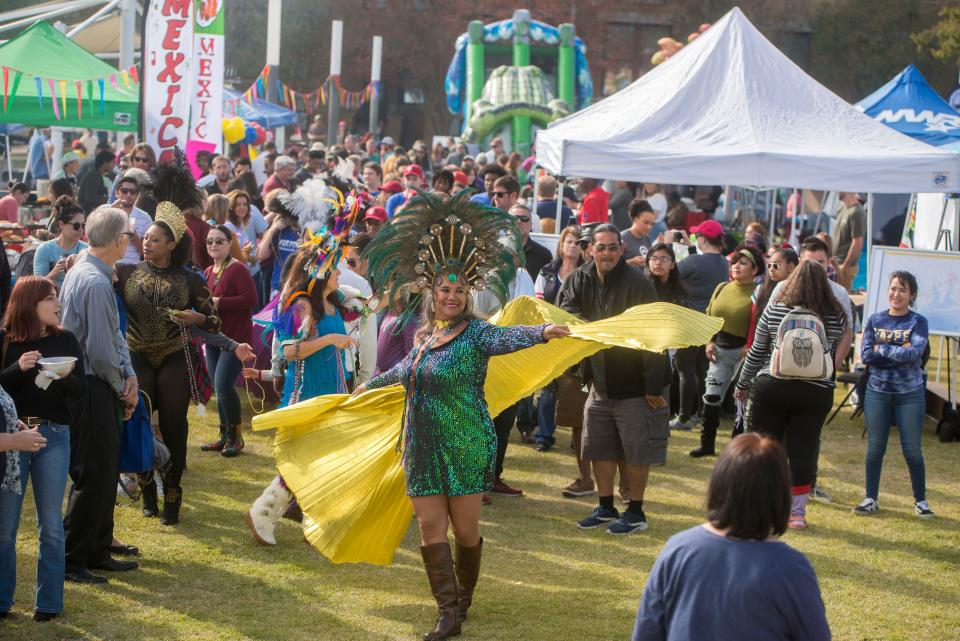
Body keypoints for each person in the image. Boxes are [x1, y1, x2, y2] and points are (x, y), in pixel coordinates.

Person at [355, 190, 570, 640]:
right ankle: (448, 614)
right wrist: (365, 387)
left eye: (458, 290)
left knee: (465, 531)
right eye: (444, 290)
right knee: (430, 527)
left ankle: (464, 596)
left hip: (467, 443)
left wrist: (544, 331)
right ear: (431, 293)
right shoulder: (423, 338)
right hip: (421, 445)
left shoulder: (476, 334)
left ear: (466, 294)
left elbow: (508, 339)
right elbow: (400, 372)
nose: (451, 296)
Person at [117, 161, 249, 526]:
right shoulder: (127, 273)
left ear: (172, 245)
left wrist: (195, 319)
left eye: (155, 240)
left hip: (175, 357)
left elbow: (216, 320)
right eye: (146, 239)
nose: (147, 243)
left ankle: (172, 495)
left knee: (174, 426)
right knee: (141, 423)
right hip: (138, 354)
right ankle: (147, 493)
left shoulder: (190, 279)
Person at [632, 434, 831, 641]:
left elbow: (646, 633)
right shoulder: (791, 568)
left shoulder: (678, 550)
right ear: (779, 495)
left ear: (719, 484)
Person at [559, 223, 668, 535]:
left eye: (612, 247)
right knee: (598, 446)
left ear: (622, 250)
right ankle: (606, 506)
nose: (606, 253)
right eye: (600, 247)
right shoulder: (580, 277)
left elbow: (653, 333)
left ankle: (636, 512)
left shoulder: (639, 283)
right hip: (599, 380)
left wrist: (653, 386)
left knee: (636, 449)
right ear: (590, 249)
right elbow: (567, 313)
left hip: (635, 382)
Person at [735, 261, 847, 529]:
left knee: (763, 450)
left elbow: (758, 350)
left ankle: (759, 507)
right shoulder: (835, 313)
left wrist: (742, 382)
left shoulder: (774, 308)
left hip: (772, 385)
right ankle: (796, 514)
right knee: (803, 452)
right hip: (816, 390)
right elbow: (832, 350)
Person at [59, 206, 139, 584]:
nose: (130, 241)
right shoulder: (92, 279)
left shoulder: (90, 273)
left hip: (95, 382)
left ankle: (97, 547)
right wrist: (121, 384)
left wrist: (129, 376)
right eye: (128, 235)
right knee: (94, 471)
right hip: (93, 385)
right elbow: (102, 350)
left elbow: (112, 340)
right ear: (119, 240)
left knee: (104, 469)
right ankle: (74, 555)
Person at [0, 277, 87, 621]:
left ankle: (48, 603)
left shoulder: (65, 339)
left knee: (50, 524)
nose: (57, 303)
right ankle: (3, 601)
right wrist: (16, 369)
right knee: (6, 526)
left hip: (54, 436)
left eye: (57, 298)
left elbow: (80, 392)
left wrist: (64, 375)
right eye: (50, 298)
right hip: (14, 435)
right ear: (29, 303)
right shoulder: (7, 340)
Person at [856, 271, 933, 518]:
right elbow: (867, 356)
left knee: (912, 450)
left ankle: (920, 501)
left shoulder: (918, 322)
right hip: (877, 392)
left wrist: (883, 349)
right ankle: (871, 498)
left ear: (911, 295)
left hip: (910, 393)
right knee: (875, 449)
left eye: (902, 290)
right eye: (893, 288)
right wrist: (899, 349)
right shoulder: (875, 319)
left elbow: (915, 354)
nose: (896, 294)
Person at [690, 244, 765, 458]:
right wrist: (709, 341)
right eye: (734, 262)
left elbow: (760, 322)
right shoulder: (722, 287)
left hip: (744, 353)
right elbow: (709, 315)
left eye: (743, 263)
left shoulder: (758, 293)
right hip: (719, 351)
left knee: (740, 400)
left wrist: (750, 348)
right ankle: (707, 444)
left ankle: (737, 447)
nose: (737, 267)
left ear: (755, 269)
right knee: (711, 397)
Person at [200, 226, 258, 457]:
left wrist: (220, 302)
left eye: (219, 241)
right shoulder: (207, 271)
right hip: (216, 338)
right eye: (210, 241)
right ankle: (224, 436)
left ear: (229, 243)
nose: (214, 245)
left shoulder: (238, 269)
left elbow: (251, 299)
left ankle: (236, 438)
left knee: (224, 385)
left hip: (236, 339)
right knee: (218, 386)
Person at [671, 220, 729, 431]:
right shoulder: (724, 262)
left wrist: (673, 245)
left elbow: (672, 271)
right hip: (710, 322)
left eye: (697, 237)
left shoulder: (695, 261)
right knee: (702, 369)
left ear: (703, 239)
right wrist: (690, 247)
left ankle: (684, 417)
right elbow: (702, 262)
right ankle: (702, 414)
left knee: (684, 368)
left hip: (690, 320)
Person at [533, 226, 583, 452]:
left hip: (577, 338)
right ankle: (544, 435)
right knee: (548, 389)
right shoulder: (547, 272)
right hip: (550, 336)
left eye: (577, 242)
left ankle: (579, 434)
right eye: (569, 241)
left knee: (576, 388)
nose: (572, 246)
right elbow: (538, 302)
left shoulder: (587, 273)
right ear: (561, 244)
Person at [748, 247, 798, 348]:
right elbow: (754, 321)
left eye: (776, 265)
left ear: (791, 267)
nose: (771, 269)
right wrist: (750, 345)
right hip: (763, 349)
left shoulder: (800, 292)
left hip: (790, 348)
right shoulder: (761, 289)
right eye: (769, 265)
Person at [33, 197, 88, 288]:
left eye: (83, 226)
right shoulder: (45, 249)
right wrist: (54, 272)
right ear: (61, 224)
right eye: (76, 225)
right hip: (52, 298)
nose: (81, 230)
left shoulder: (86, 249)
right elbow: (37, 287)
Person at [257, 195, 302, 296]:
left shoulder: (305, 232)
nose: (285, 218)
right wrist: (272, 230)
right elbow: (262, 255)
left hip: (298, 287)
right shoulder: (280, 231)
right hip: (278, 286)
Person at [114, 173, 152, 265]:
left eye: (133, 192)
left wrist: (132, 235)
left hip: (132, 269)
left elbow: (147, 253)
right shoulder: (104, 212)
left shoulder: (145, 217)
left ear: (137, 195)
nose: (128, 195)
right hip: (108, 267)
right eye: (124, 191)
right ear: (117, 192)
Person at [833, 192, 866, 291]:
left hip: (844, 266)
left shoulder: (857, 212)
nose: (837, 191)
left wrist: (845, 266)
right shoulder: (842, 209)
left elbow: (857, 242)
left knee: (841, 301)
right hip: (836, 263)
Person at [511, 204, 551, 281]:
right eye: (514, 218)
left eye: (524, 218)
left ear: (531, 225)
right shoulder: (495, 251)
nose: (519, 221)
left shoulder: (544, 255)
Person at [621, 199, 656, 268]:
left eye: (651, 224)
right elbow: (613, 266)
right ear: (635, 219)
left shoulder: (647, 238)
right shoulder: (622, 238)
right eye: (646, 222)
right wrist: (631, 262)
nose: (649, 227)